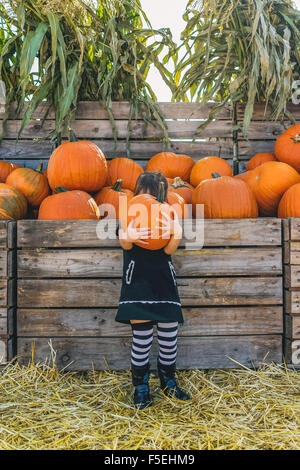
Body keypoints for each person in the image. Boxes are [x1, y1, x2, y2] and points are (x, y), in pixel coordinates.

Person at [115, 171, 190, 409]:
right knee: (142, 339)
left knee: (169, 338)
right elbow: (124, 242)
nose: (147, 196)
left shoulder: (168, 213)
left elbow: (168, 251)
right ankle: (141, 387)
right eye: (143, 190)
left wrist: (176, 234)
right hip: (137, 281)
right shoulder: (129, 212)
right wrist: (130, 235)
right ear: (137, 190)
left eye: (152, 191)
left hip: (163, 282)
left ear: (161, 194)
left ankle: (168, 382)